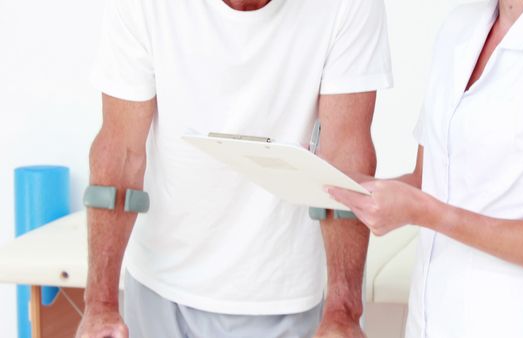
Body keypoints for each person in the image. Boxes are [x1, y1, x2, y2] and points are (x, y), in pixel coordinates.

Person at [75, 0, 392, 337]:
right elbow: (121, 152)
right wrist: (100, 304)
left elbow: (344, 158)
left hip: (283, 294)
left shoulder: (349, 5)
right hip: (159, 285)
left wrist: (343, 311)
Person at [328, 0, 523, 337]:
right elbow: (430, 180)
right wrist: (344, 188)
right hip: (431, 322)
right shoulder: (462, 26)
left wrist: (424, 212)